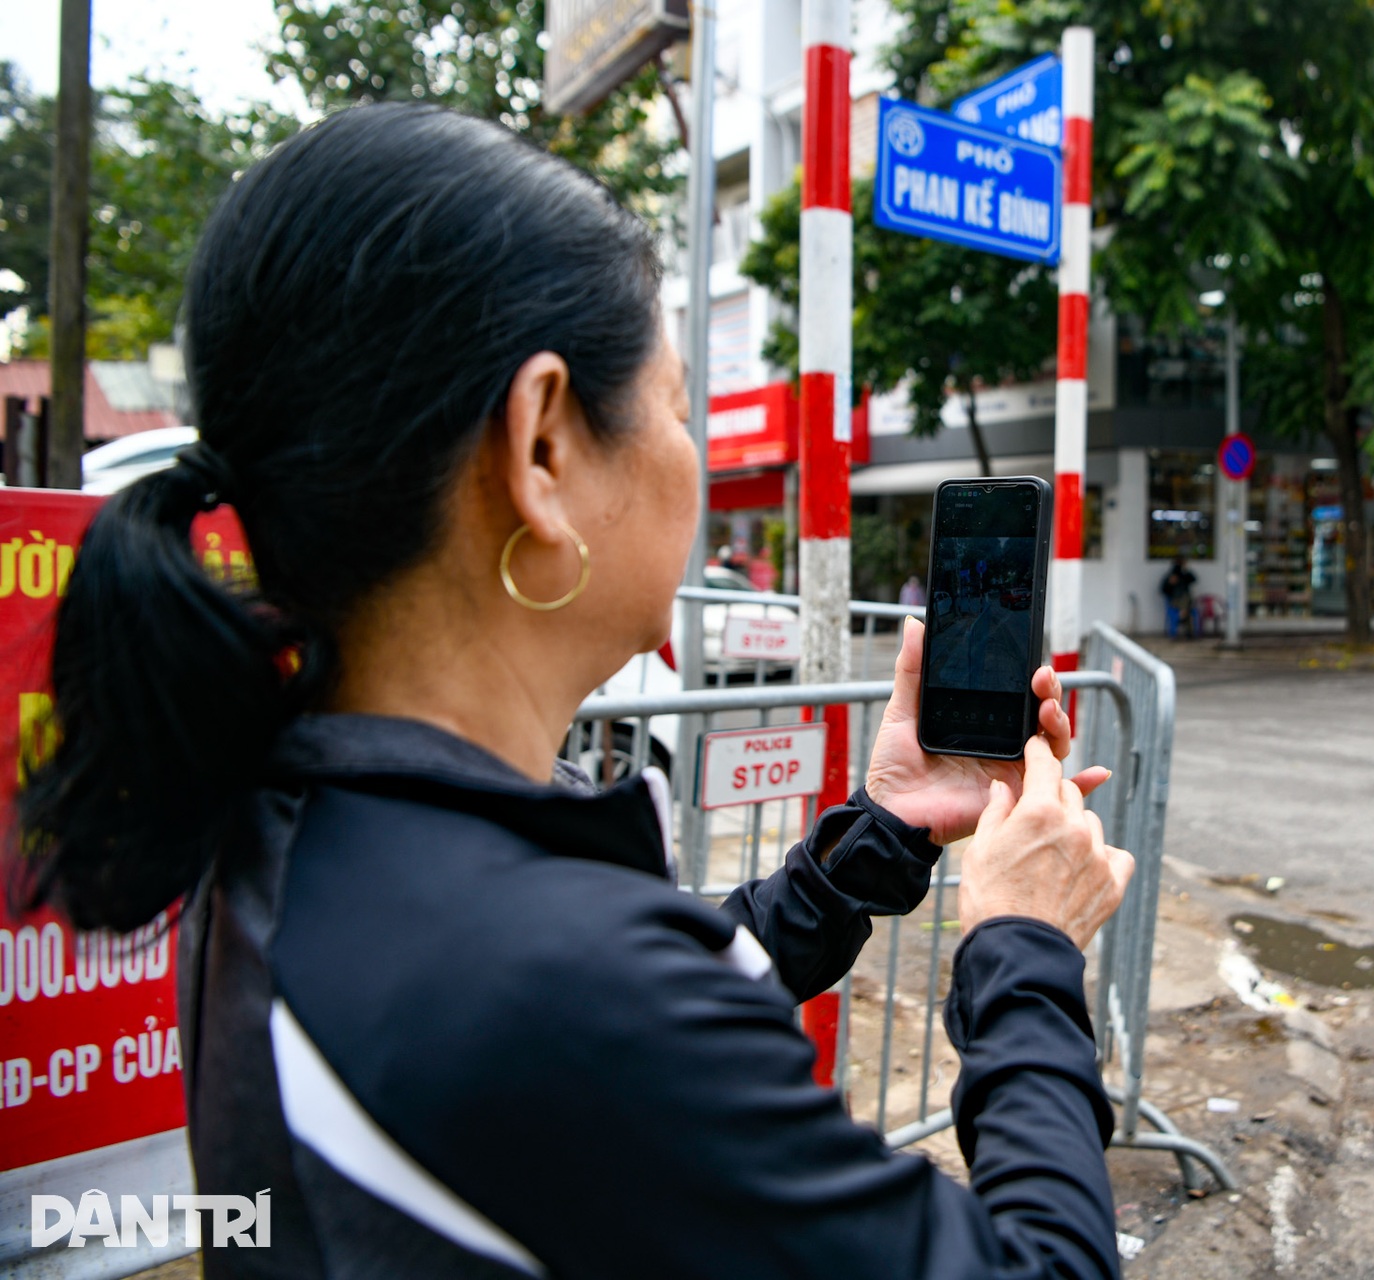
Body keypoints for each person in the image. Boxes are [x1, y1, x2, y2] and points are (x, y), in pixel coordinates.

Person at [14, 105, 1134, 1279]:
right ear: (544, 447)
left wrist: (875, 837)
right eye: (678, 407)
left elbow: (661, 988)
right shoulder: (541, 982)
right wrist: (1024, 949)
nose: (692, 458)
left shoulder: (296, 815)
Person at [1161, 557, 1197, 639]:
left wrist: (1186, 570)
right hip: (1175, 601)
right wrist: (1170, 583)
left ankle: (1183, 613)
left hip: (1186, 602)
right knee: (1187, 603)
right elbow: (1163, 590)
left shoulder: (1185, 576)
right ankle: (1183, 612)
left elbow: (1194, 579)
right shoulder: (1170, 576)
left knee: (1186, 599)